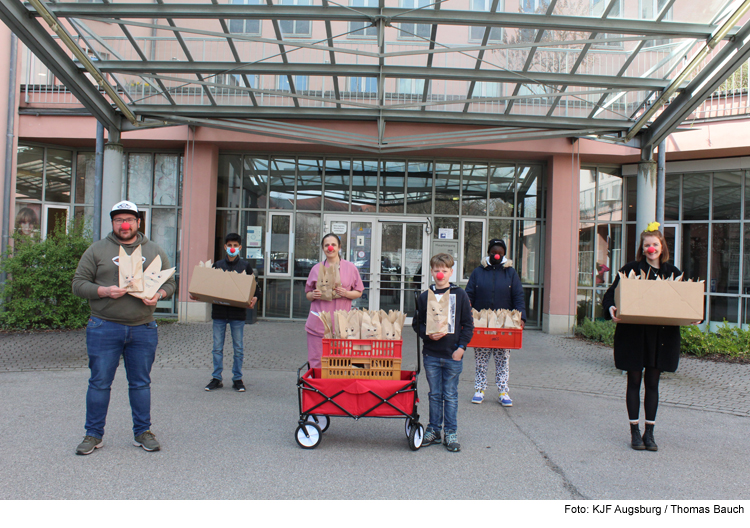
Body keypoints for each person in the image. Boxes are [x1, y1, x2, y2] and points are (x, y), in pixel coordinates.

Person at [72, 200, 176, 455]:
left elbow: (171, 282)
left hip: (143, 328)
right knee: (99, 383)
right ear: (113, 223)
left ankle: (143, 432)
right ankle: (93, 434)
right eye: (119, 220)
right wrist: (103, 290)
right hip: (103, 326)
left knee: (140, 383)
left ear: (138, 222)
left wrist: (160, 294)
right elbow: (78, 284)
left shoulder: (154, 251)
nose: (125, 224)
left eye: (129, 219)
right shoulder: (97, 250)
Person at [602, 223, 689, 452]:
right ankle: (634, 432)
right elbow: (611, 295)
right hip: (634, 336)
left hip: (661, 338)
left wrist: (696, 316)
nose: (651, 248)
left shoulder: (673, 273)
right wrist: (611, 308)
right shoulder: (630, 269)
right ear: (642, 247)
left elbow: (687, 301)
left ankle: (649, 433)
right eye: (647, 244)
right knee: (633, 382)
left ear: (662, 247)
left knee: (652, 384)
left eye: (655, 244)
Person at [412, 253, 473, 452]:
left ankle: (451, 432)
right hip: (431, 355)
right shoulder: (424, 297)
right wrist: (428, 336)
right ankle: (434, 430)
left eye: (444, 271)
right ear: (431, 272)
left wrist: (461, 349)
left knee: (451, 395)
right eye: (437, 270)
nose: (440, 274)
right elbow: (417, 324)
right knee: (434, 394)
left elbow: (468, 325)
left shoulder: (460, 295)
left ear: (451, 272)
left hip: (452, 355)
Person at [465, 239, 526, 407]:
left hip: (504, 324)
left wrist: (521, 317)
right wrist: (467, 312)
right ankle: (479, 389)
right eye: (493, 252)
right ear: (489, 253)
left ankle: (503, 391)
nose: (496, 255)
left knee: (502, 360)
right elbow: (469, 294)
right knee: (481, 359)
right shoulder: (478, 272)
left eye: (500, 252)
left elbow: (518, 296)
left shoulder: (511, 273)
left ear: (504, 254)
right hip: (482, 323)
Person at [201, 233, 259, 392]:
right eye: (229, 245)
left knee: (238, 347)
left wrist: (254, 298)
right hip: (219, 313)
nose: (232, 248)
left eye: (235, 245)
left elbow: (255, 288)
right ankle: (216, 378)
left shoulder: (245, 266)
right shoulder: (217, 265)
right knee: (217, 348)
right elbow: (208, 285)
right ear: (225, 247)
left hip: (237, 315)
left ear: (240, 248)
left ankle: (237, 379)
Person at [304, 233, 364, 369]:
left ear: (339, 247)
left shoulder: (350, 268)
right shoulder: (316, 269)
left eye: (333, 245)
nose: (330, 248)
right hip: (318, 325)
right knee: (317, 362)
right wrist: (313, 294)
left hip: (342, 326)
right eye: (326, 245)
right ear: (323, 248)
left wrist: (346, 293)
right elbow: (307, 294)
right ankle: (318, 389)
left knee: (340, 364)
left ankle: (337, 390)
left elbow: (359, 292)